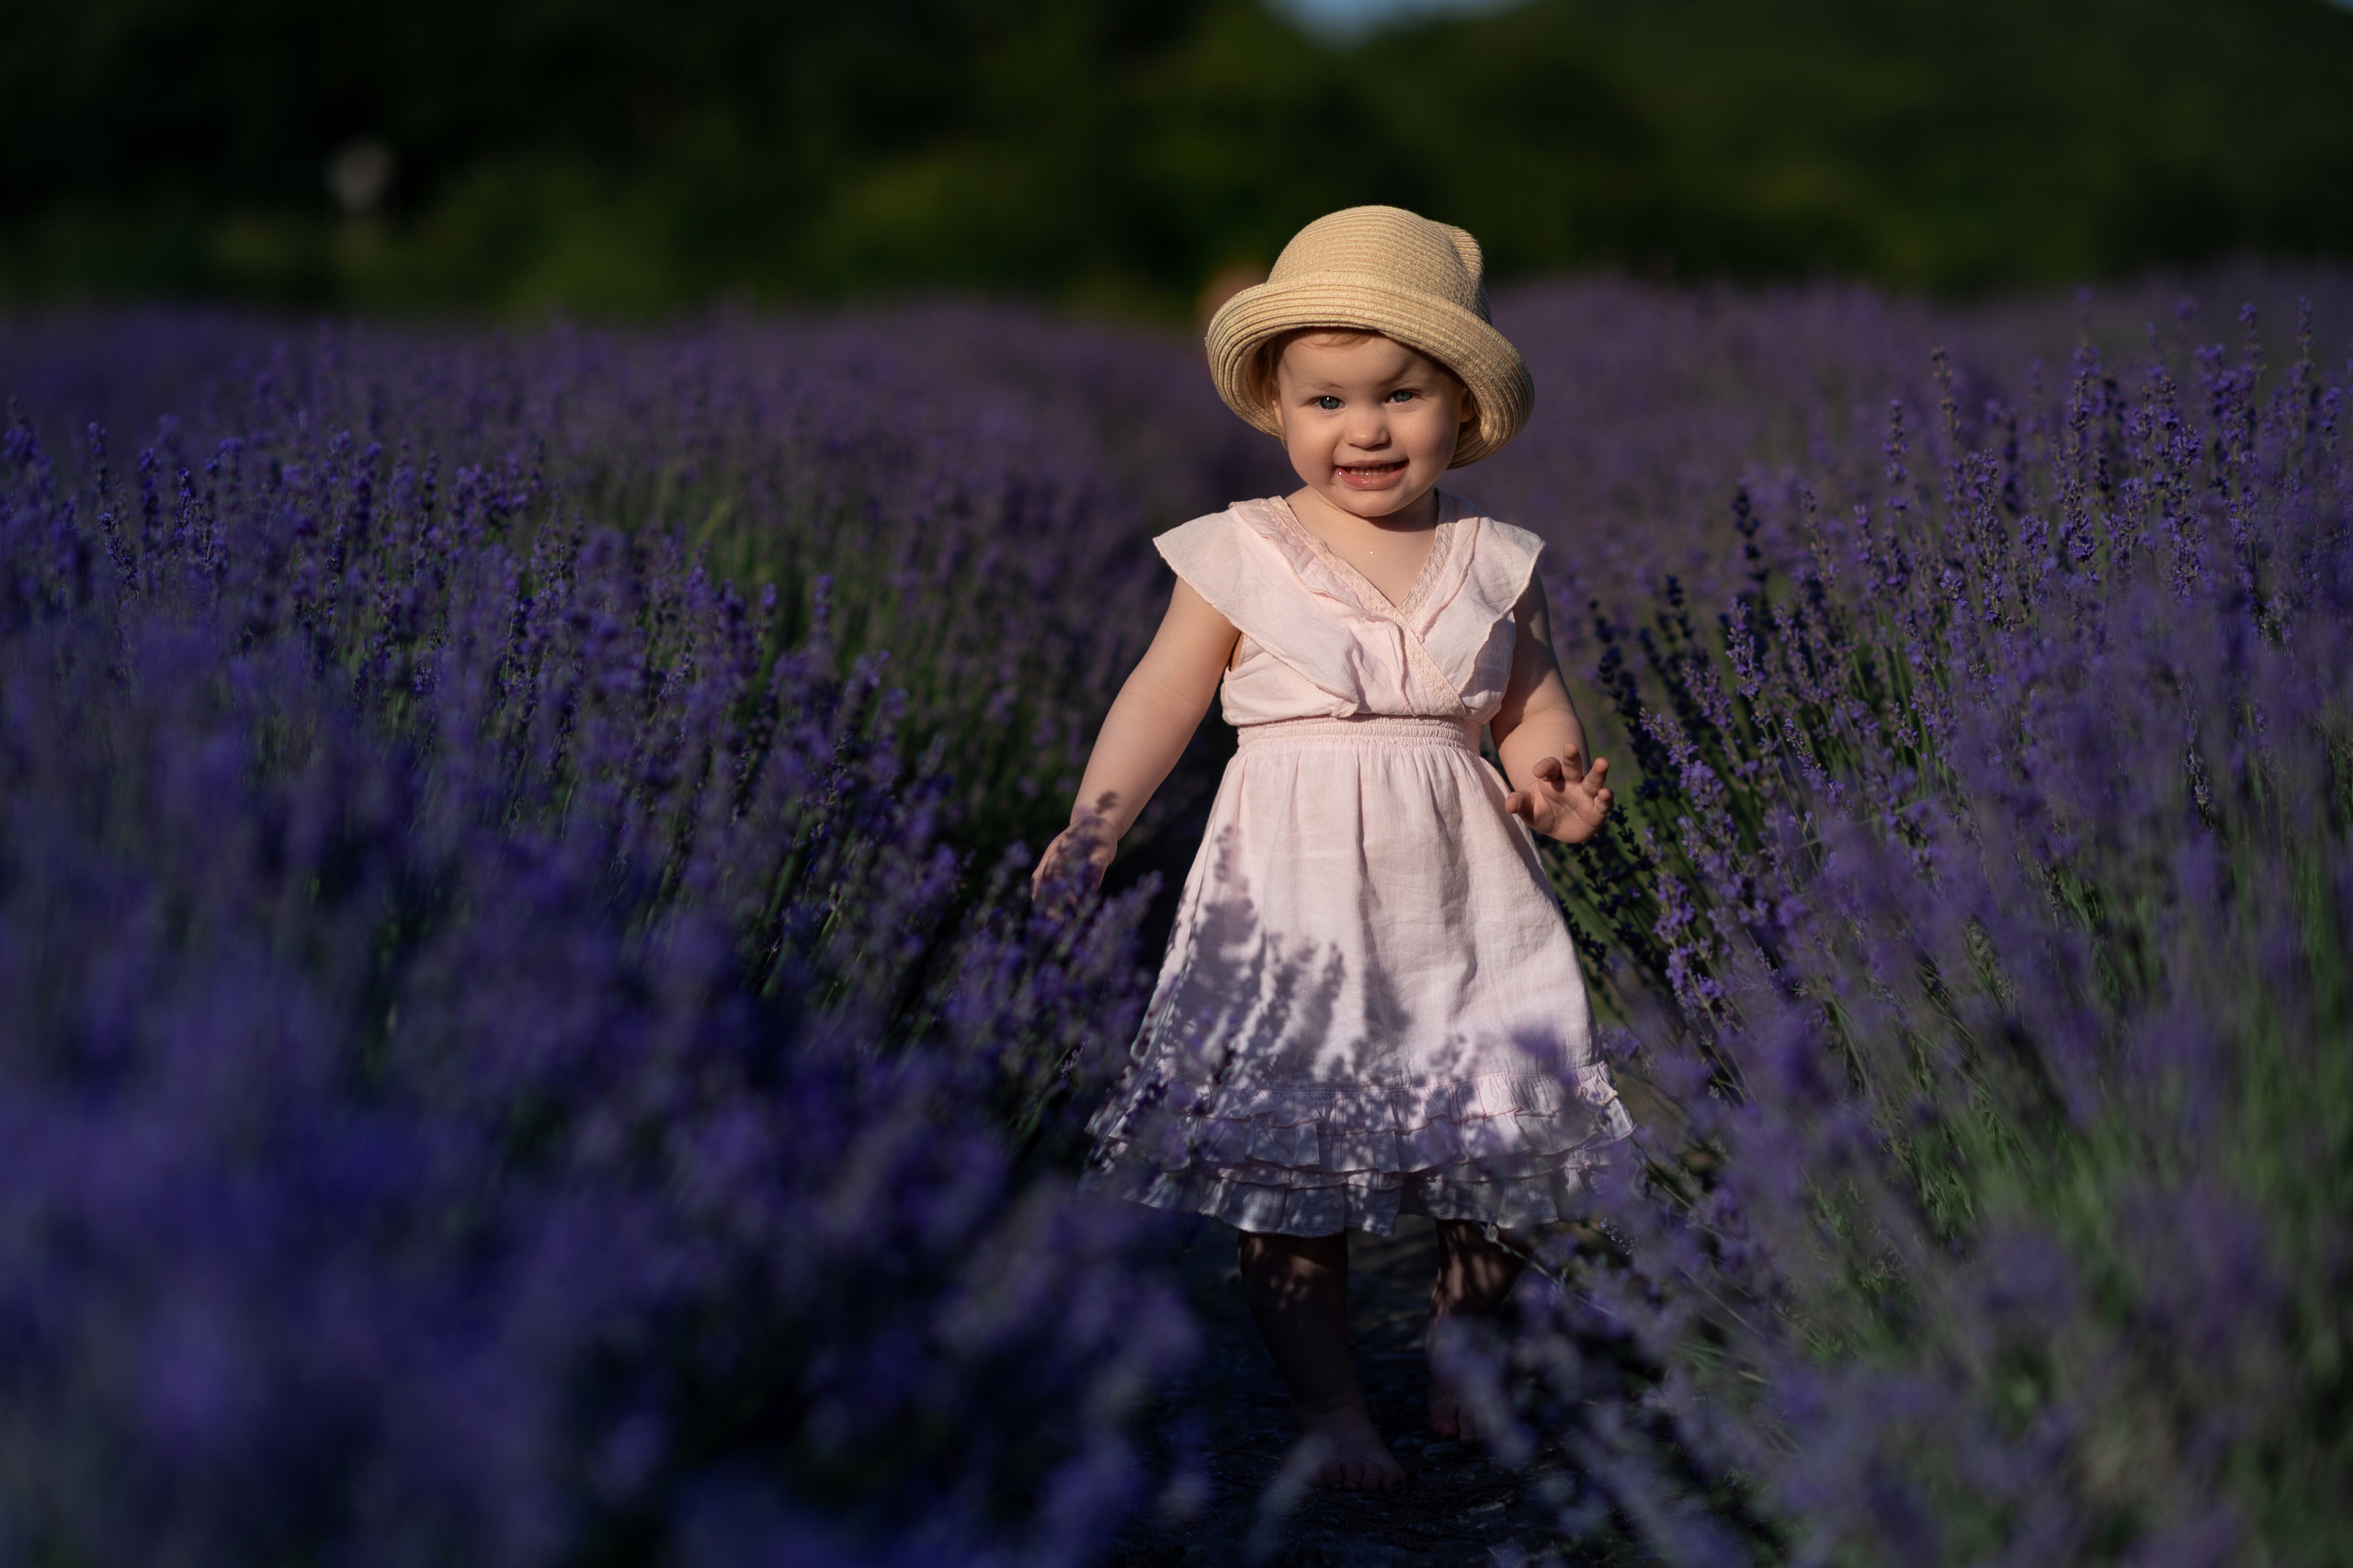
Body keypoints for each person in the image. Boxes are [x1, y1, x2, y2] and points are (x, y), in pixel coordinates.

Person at [1032, 206, 1631, 1493]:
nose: (1363, 429)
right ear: (1278, 407)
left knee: (1495, 1144)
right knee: (1290, 1170)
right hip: (1293, 897)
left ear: (1461, 411)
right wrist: (1099, 821)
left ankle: (1465, 1345)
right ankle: (1329, 1408)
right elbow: (1161, 696)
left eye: (1400, 396)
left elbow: (1532, 707)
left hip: (1463, 890)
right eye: (1326, 400)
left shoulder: (1491, 560)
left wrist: (1557, 790)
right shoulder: (1244, 550)